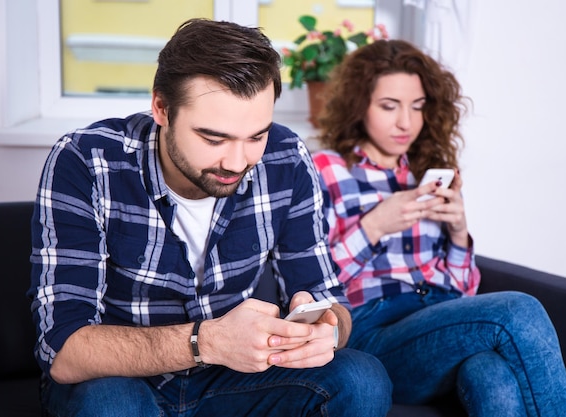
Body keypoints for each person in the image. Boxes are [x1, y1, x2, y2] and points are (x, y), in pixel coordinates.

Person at [28, 18, 393, 417]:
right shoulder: (85, 160)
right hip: (122, 376)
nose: (238, 162)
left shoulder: (286, 156)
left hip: (232, 377)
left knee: (361, 377)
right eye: (213, 138)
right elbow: (62, 350)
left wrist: (328, 329)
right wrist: (209, 341)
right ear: (161, 108)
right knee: (111, 403)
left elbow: (329, 300)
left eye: (256, 136)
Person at [312, 39, 566, 417]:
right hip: (375, 332)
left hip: (442, 319)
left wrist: (457, 232)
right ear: (359, 106)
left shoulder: (425, 173)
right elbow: (314, 284)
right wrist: (374, 226)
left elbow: (463, 291)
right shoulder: (325, 168)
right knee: (519, 310)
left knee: (490, 372)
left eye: (417, 107)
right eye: (390, 106)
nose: (406, 122)